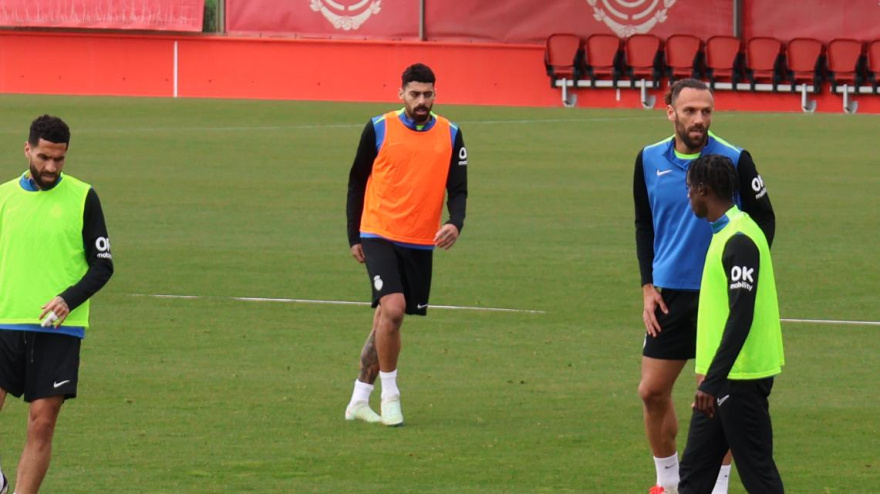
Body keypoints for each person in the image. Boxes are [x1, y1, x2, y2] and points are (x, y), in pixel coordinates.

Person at [633, 78, 775, 494]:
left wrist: (742, 274)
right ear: (670, 112)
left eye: (706, 111)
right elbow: (644, 223)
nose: (700, 120)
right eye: (691, 111)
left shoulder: (734, 158)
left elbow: (765, 218)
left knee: (714, 397)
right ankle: (667, 481)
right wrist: (647, 285)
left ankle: (718, 486)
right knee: (651, 391)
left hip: (720, 297)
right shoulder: (648, 159)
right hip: (670, 296)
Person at [344, 63, 468, 427]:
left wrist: (455, 222)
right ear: (401, 94)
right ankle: (391, 396)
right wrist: (354, 235)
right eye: (414, 94)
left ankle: (358, 400)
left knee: (386, 320)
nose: (421, 101)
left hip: (419, 240)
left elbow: (458, 189)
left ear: (435, 94)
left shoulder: (451, 133)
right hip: (378, 232)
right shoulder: (378, 128)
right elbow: (356, 181)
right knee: (395, 310)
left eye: (428, 94)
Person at [0, 115, 114, 494]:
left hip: (59, 330)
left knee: (42, 423)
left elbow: (103, 265)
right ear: (27, 150)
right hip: (4, 323)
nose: (51, 167)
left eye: (59, 159)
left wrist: (68, 299)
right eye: (44, 157)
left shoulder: (83, 197)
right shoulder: (3, 198)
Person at [678, 154, 785, 493]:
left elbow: (741, 316)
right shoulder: (727, 232)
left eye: (689, 188)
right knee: (693, 475)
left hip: (740, 379)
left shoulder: (740, 239)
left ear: (703, 189)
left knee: (759, 476)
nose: (688, 196)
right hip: (722, 379)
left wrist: (712, 381)